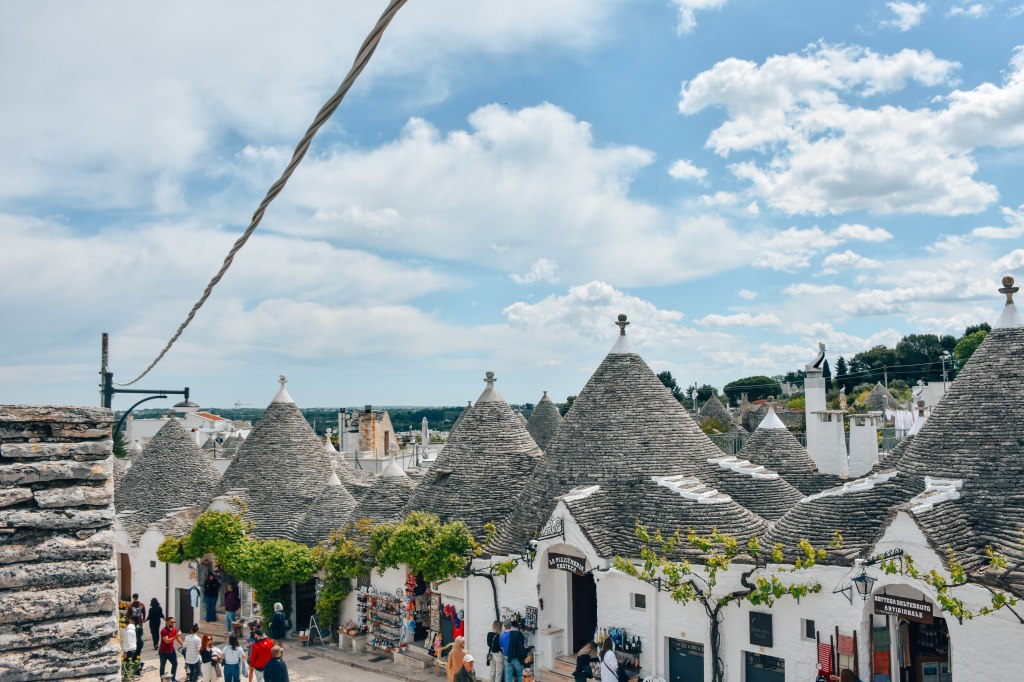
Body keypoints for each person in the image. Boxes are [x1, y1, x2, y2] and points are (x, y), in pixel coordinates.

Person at [159, 616, 183, 681]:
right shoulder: (164, 631)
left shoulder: (174, 629)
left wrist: (183, 644)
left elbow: (177, 638)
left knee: (175, 664)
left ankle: (173, 678)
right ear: (167, 622)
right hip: (163, 652)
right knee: (162, 667)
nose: (173, 624)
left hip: (171, 651)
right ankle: (162, 680)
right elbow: (167, 641)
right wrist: (175, 636)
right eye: (171, 622)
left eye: (174, 622)